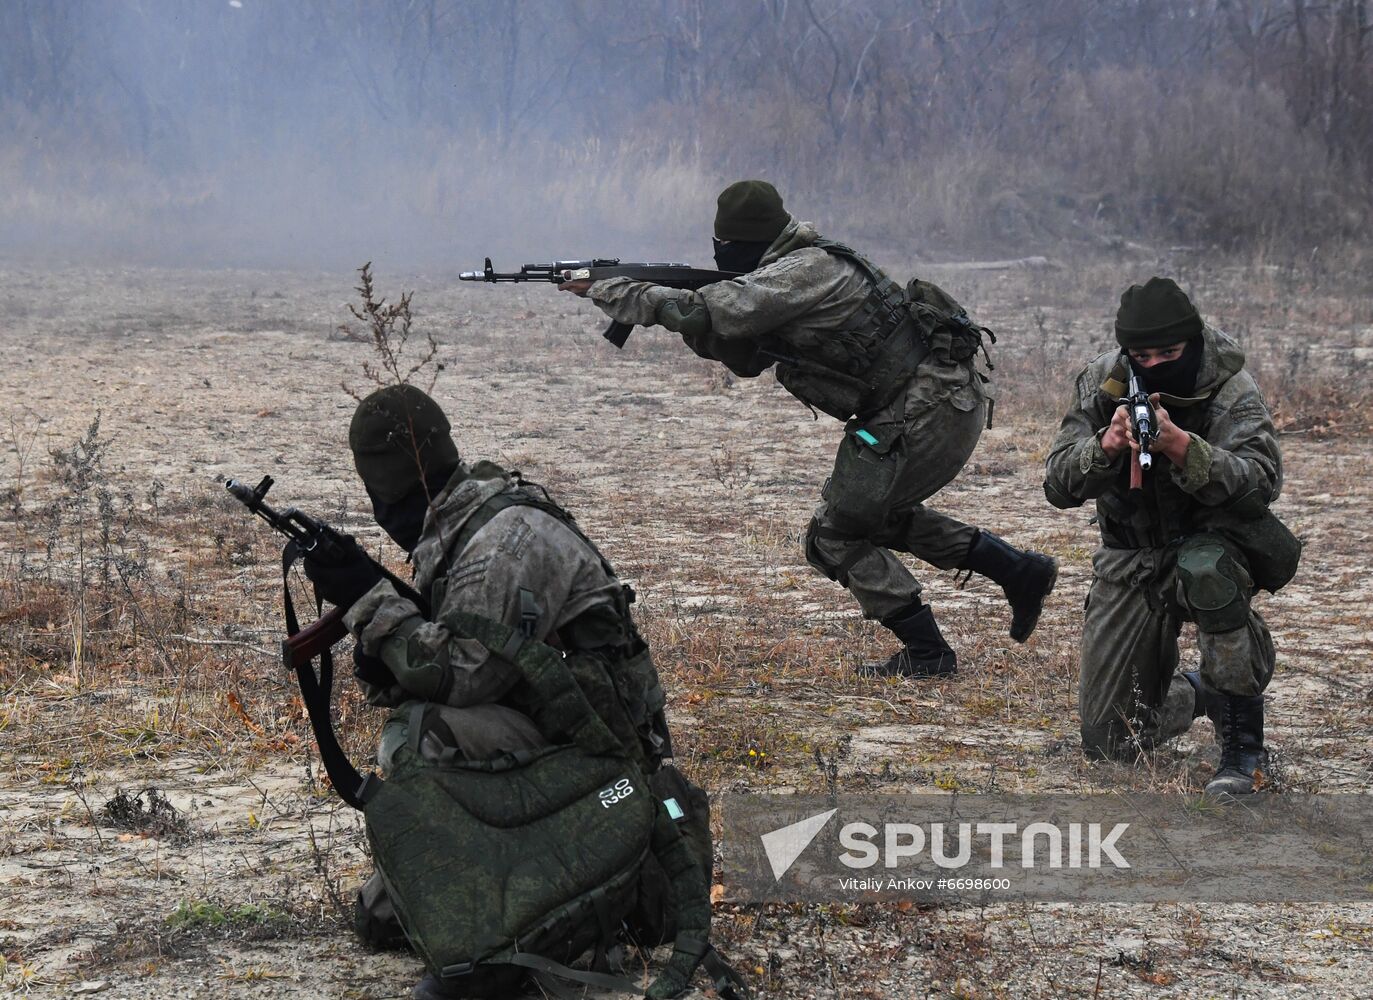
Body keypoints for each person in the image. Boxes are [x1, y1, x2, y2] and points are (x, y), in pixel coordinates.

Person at [560, 179, 1056, 678]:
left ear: (737, 243)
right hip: (930, 403)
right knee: (872, 520)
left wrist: (616, 290)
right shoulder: (788, 269)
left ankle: (928, 653)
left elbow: (706, 309)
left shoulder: (804, 271)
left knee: (833, 536)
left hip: (926, 408)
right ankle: (1017, 570)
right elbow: (745, 354)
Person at [302, 384, 690, 998]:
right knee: (382, 918)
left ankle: (507, 938)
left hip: (598, 759)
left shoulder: (501, 543)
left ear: (388, 485)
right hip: (558, 733)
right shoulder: (469, 523)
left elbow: (466, 676)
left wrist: (369, 603)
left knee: (421, 733)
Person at [1043, 277, 1292, 795]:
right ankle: (1203, 691)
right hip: (1130, 558)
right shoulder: (1101, 382)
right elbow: (1057, 485)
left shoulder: (1228, 386)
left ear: (1193, 341)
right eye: (1142, 354)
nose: (1154, 364)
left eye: (1169, 353)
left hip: (1210, 544)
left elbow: (1260, 482)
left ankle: (1243, 746)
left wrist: (1184, 448)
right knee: (1111, 740)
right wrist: (1106, 446)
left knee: (1207, 571)